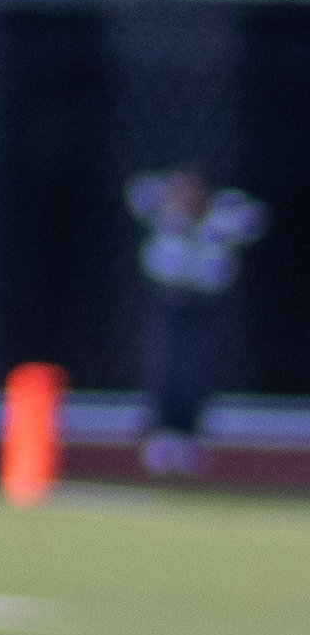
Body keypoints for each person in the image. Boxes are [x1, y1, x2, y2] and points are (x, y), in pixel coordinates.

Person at [133, 169, 267, 479]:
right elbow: (137, 194)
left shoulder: (221, 216)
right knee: (163, 367)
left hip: (203, 305)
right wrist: (172, 198)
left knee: (197, 371)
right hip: (168, 301)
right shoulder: (165, 210)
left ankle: (190, 438)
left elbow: (255, 220)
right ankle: (161, 436)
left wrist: (209, 214)